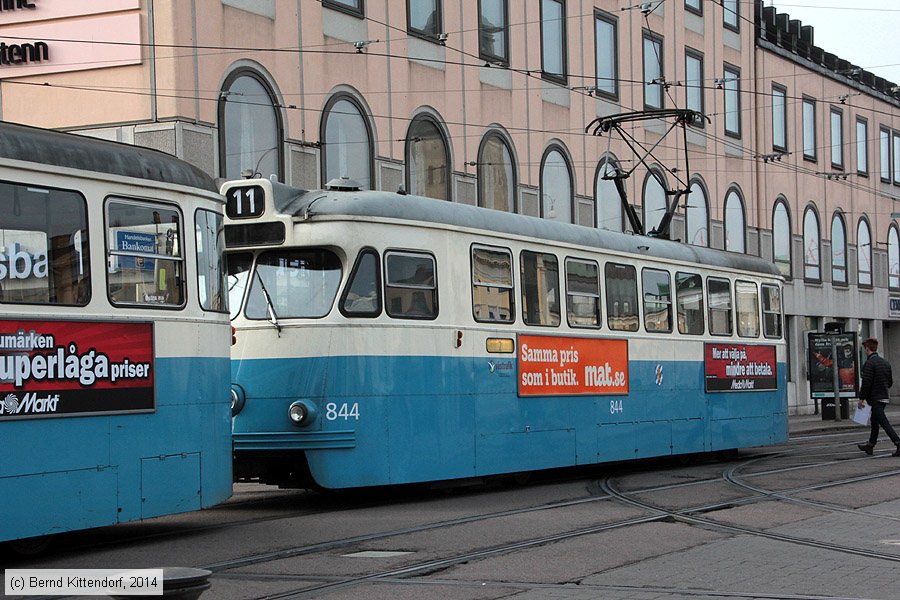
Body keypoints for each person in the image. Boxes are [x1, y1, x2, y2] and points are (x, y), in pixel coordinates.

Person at [856, 337, 900, 456]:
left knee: (883, 422)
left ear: (867, 349)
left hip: (874, 398)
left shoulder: (869, 364)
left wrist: (861, 398)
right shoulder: (885, 363)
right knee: (875, 421)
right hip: (884, 397)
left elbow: (866, 383)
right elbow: (890, 382)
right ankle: (870, 445)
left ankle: (898, 442)